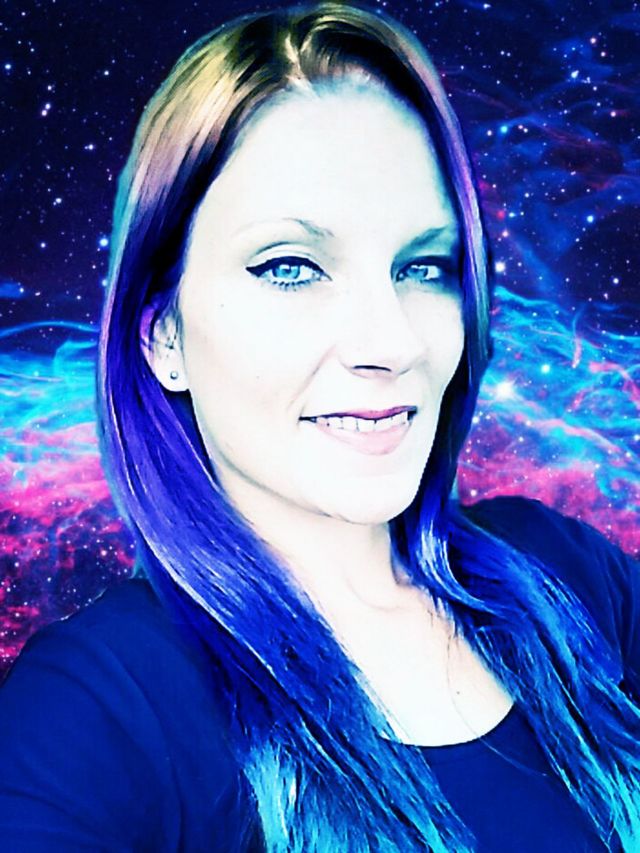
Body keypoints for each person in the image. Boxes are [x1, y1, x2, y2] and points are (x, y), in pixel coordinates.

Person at [0, 2, 639, 850]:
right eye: (292, 267)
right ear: (163, 335)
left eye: (424, 266)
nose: (393, 343)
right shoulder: (93, 713)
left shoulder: (564, 575)